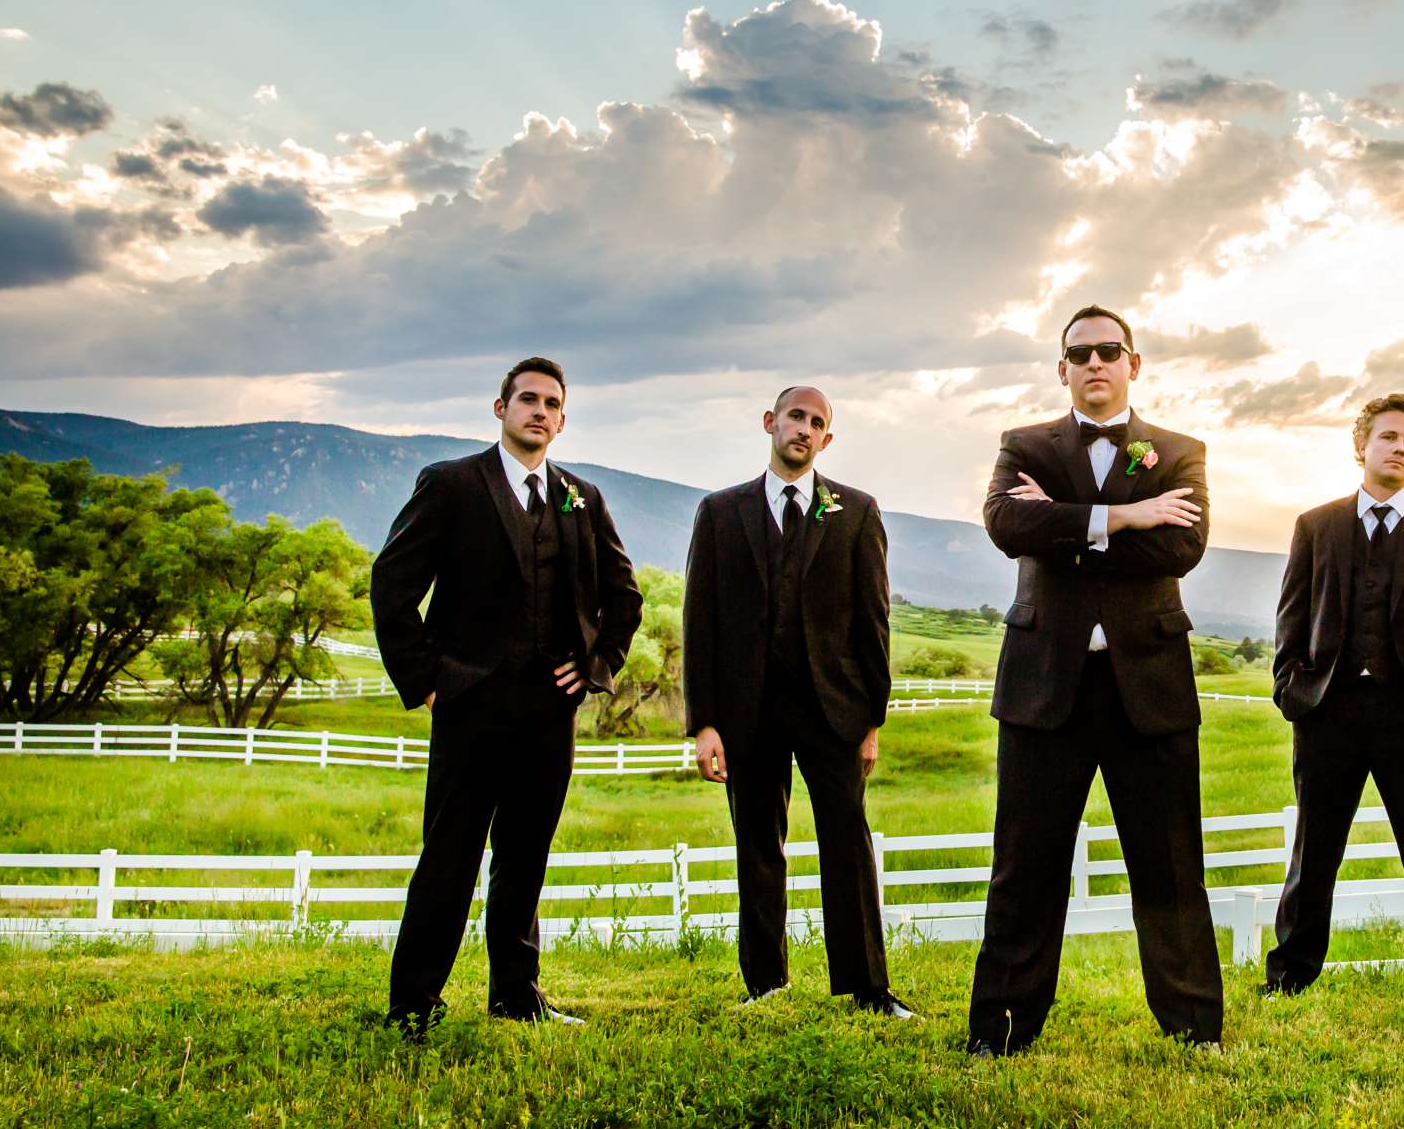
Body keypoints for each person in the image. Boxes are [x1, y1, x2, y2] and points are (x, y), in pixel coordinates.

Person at [965, 305, 1223, 1054]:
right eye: (1080, 354)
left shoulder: (1180, 450)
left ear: (1134, 363)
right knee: (1025, 865)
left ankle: (1193, 1028)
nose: (1095, 362)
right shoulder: (1024, 445)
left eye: (1110, 350)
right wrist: (1128, 517)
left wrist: (1072, 526)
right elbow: (1008, 527)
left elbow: (1182, 548)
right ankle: (1002, 1031)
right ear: (1062, 369)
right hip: (1044, 684)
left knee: (1172, 863)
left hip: (1149, 684)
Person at [373, 356, 643, 1037]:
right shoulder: (451, 484)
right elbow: (392, 585)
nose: (539, 412)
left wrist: (596, 667)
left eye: (552, 404)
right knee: (450, 856)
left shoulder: (581, 498)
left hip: (550, 713)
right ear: (501, 409)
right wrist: (427, 681)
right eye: (527, 400)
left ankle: (517, 997)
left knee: (525, 857)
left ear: (562, 419)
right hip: (468, 705)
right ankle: (413, 1005)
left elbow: (625, 597)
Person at [681, 386, 911, 1017]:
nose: (804, 430)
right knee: (757, 844)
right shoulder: (720, 512)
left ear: (827, 439)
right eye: (795, 417)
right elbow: (698, 623)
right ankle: (765, 985)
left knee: (847, 840)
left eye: (817, 423)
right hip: (746, 712)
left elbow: (875, 622)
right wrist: (703, 722)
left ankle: (868, 988)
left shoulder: (857, 512)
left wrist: (871, 720)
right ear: (769, 423)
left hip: (832, 709)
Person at [1265, 392, 1404, 1006]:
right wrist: (1292, 688)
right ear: (1361, 444)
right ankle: (1289, 976)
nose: (1399, 448)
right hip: (1327, 715)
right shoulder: (1317, 526)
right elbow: (1292, 614)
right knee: (1314, 853)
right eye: (1389, 437)